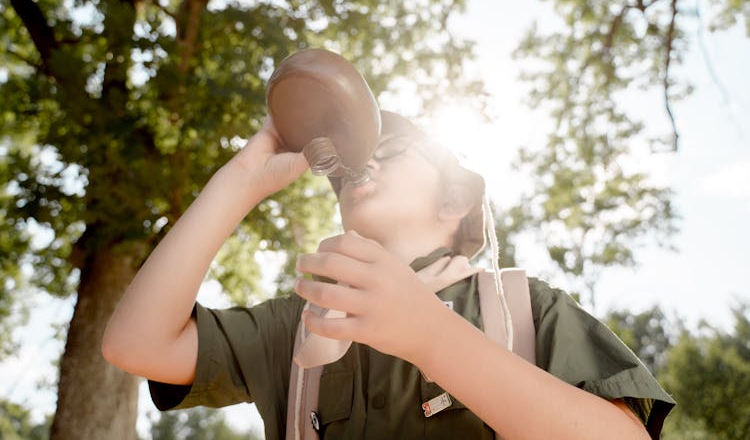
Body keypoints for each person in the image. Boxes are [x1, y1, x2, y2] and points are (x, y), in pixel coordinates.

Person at [102, 110, 675, 439]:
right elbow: (137, 343)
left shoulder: (525, 307)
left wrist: (428, 334)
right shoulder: (298, 324)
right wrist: (243, 179)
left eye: (393, 147)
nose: (362, 160)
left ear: (454, 202)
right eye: (351, 157)